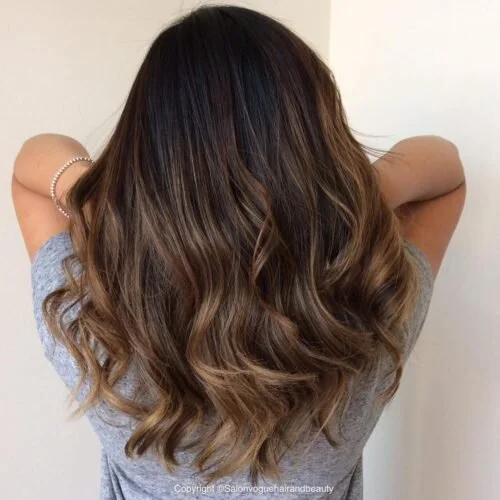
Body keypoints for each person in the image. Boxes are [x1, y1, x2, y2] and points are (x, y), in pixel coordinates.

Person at [11, 5, 466, 500]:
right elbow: (445, 169)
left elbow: (32, 164)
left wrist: (114, 205)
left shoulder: (94, 330)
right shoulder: (372, 317)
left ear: (145, 154)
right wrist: (351, 200)